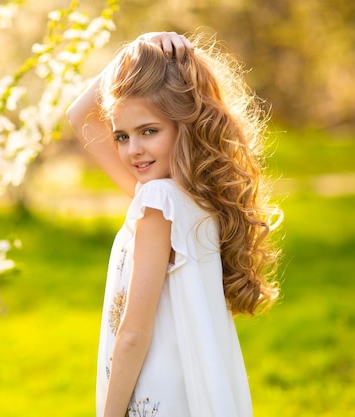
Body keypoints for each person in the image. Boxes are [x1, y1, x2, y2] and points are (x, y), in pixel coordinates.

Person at [66, 31, 281, 417]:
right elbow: (79, 117)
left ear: (186, 125)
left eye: (149, 131)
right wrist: (139, 48)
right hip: (190, 389)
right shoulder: (202, 196)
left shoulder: (156, 201)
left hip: (154, 393)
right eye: (121, 136)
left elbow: (133, 334)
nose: (134, 150)